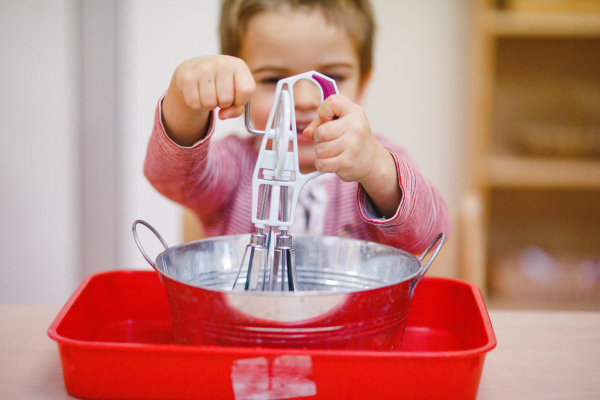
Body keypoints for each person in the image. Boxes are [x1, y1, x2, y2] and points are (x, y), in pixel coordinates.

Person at [144, 0, 449, 253]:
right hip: (247, 325)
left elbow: (430, 234)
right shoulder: (234, 167)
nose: (303, 100)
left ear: (363, 83)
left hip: (353, 326)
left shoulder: (378, 161)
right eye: (273, 80)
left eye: (332, 76)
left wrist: (377, 169)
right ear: (237, 83)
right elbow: (170, 178)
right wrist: (184, 100)